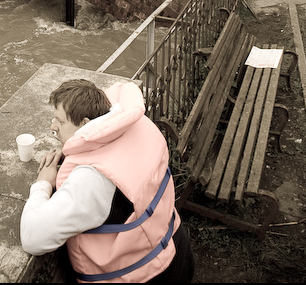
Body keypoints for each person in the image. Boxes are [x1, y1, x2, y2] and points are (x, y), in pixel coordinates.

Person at [20, 79, 194, 283]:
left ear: (85, 124)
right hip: (175, 247)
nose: (52, 127)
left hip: (145, 275)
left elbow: (33, 238)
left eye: (60, 121)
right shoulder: (139, 125)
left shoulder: (92, 178)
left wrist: (43, 184)